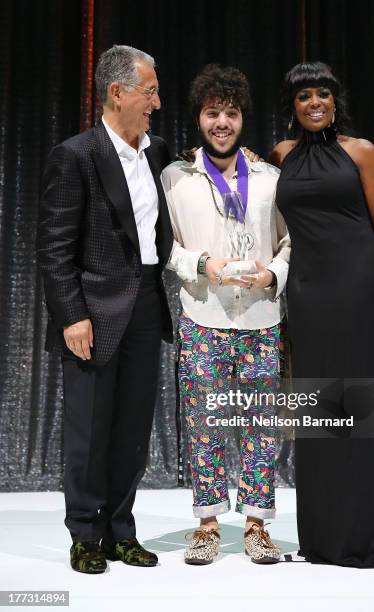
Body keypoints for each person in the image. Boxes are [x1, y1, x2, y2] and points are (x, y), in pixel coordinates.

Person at [37, 45, 173, 573]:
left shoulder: (157, 151)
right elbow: (53, 246)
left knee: (133, 429)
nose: (156, 103)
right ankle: (85, 534)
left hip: (145, 302)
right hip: (92, 308)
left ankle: (121, 529)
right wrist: (71, 314)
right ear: (117, 93)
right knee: (90, 429)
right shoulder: (76, 155)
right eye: (150, 91)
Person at [271, 61, 374, 568]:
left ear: (334, 99)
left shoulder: (361, 151)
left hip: (359, 286)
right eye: (304, 96)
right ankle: (321, 538)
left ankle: (360, 537)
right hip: (306, 292)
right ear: (293, 105)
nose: (314, 103)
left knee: (358, 406)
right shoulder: (280, 155)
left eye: (322, 93)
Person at [161, 64, 290, 565]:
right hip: (203, 316)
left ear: (241, 118)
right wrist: (201, 263)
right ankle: (208, 525)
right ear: (199, 117)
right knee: (206, 425)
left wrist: (271, 274)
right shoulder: (176, 177)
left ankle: (257, 525)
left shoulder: (270, 178)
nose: (222, 122)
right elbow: (163, 245)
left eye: (230, 113)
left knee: (260, 425)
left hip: (260, 319)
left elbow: (289, 241)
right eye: (213, 113)